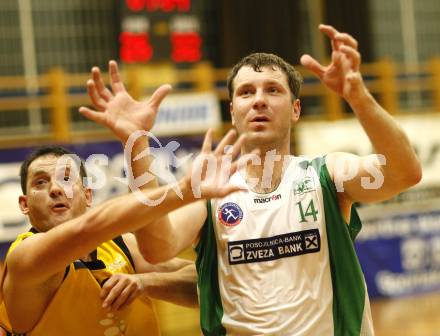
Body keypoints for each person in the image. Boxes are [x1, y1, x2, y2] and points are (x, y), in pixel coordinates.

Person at [83, 24, 422, 335]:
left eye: (272, 90)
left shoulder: (326, 173)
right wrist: (136, 141)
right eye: (246, 92)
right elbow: (157, 247)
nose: (259, 99)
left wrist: (357, 95)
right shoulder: (211, 191)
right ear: (232, 111)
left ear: (295, 109)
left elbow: (403, 173)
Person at [0, 66, 247, 334]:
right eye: (40, 183)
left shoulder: (120, 246)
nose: (56, 189)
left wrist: (147, 282)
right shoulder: (24, 259)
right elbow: (91, 227)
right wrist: (184, 190)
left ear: (88, 195)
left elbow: (207, 283)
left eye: (67, 178)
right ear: (24, 204)